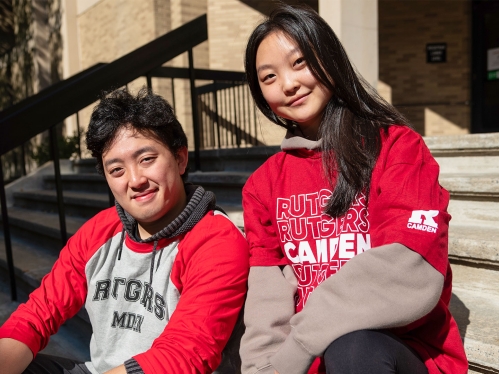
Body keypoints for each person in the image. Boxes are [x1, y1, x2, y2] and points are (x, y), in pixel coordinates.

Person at [239, 4, 467, 374]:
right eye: (269, 77)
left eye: (299, 63)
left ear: (328, 57)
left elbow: (409, 267)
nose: (288, 84)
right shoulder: (262, 185)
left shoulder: (397, 148)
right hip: (311, 361)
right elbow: (268, 298)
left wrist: (300, 343)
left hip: (396, 351)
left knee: (353, 348)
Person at [0, 88, 249, 374]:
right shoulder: (99, 232)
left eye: (147, 159)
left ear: (180, 159)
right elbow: (39, 313)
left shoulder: (216, 240)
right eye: (117, 170)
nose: (135, 180)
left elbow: (185, 353)